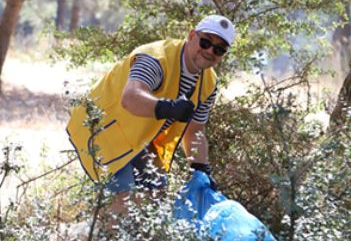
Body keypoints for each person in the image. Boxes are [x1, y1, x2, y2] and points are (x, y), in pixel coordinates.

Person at [66, 15, 234, 222]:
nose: (209, 51)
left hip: (137, 138)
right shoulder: (156, 59)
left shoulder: (208, 83)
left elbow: (195, 131)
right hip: (100, 128)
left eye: (218, 49)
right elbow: (131, 98)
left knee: (156, 197)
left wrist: (201, 168)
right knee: (124, 201)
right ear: (192, 36)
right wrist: (168, 107)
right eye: (206, 42)